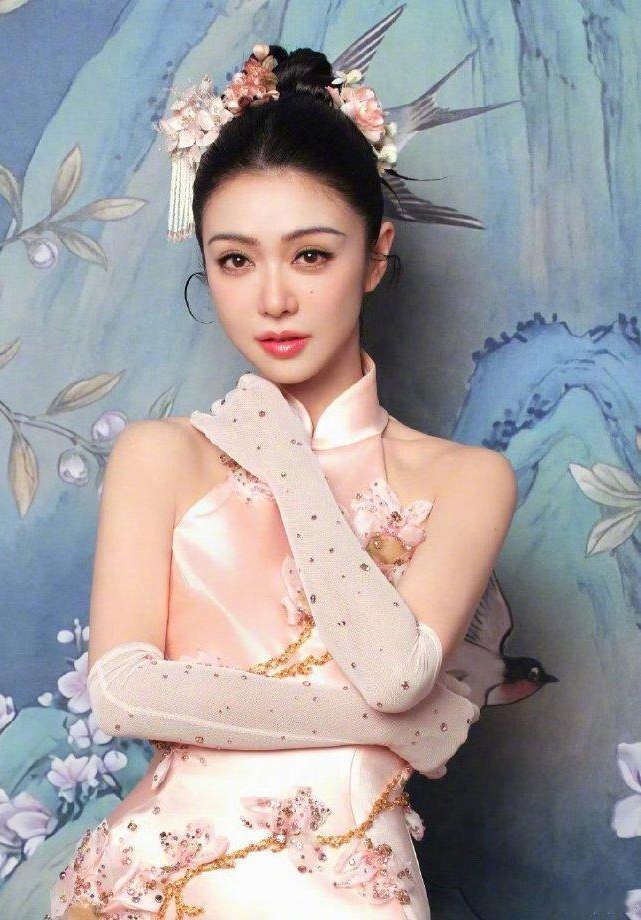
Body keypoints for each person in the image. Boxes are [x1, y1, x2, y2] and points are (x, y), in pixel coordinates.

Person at [47, 43, 517, 920]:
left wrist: (290, 463)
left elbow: (392, 674)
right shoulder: (163, 455)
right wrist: (391, 730)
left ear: (375, 256)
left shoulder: (468, 480)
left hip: (352, 896)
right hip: (153, 887)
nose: (272, 300)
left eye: (310, 256)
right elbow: (125, 692)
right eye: (236, 260)